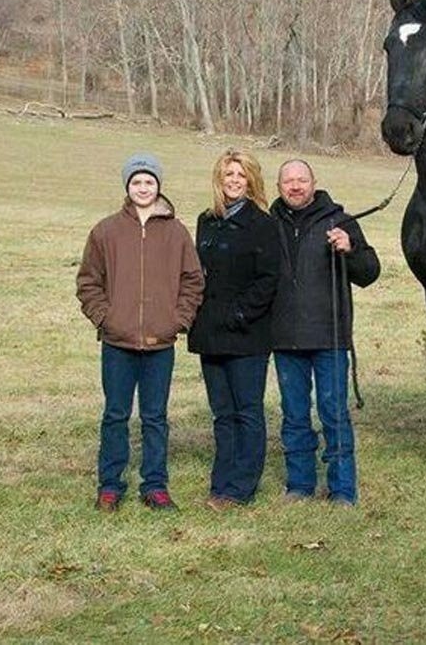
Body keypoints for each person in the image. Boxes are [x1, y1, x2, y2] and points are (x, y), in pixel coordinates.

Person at [76, 152, 204, 512]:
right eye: (136, 182)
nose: (143, 187)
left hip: (160, 342)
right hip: (118, 342)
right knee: (115, 414)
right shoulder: (106, 231)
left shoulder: (177, 233)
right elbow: (88, 282)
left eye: (149, 182)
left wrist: (177, 321)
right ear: (127, 187)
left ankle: (155, 485)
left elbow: (193, 281)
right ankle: (110, 485)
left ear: (158, 186)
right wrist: (106, 318)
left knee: (155, 416)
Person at [270, 159, 380, 506]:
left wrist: (351, 249)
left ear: (314, 183)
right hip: (285, 338)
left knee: (333, 413)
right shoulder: (268, 224)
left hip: (329, 337)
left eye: (302, 180)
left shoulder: (340, 220)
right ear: (279, 187)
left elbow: (370, 272)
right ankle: (300, 485)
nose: (295, 186)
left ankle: (343, 490)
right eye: (288, 181)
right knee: (294, 415)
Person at [188, 150, 281, 511]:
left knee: (247, 411)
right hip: (210, 333)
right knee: (222, 412)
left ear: (251, 180)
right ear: (219, 178)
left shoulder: (263, 224)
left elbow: (268, 279)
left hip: (247, 335)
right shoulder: (206, 221)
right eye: (229, 174)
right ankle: (221, 481)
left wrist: (240, 313)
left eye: (241, 175)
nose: (234, 180)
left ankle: (241, 487)